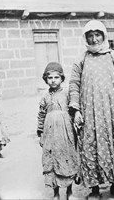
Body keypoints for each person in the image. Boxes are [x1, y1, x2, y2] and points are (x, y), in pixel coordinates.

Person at [69, 20, 114, 200]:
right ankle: (94, 189)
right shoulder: (81, 59)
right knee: (90, 147)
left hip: (113, 112)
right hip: (89, 113)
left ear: (104, 36)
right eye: (90, 35)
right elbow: (74, 84)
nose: (94, 39)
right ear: (86, 37)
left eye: (98, 35)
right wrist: (76, 110)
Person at [37, 62, 79, 200]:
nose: (53, 80)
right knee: (52, 160)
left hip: (65, 133)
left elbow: (73, 112)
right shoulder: (44, 97)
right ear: (46, 79)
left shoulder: (67, 94)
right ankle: (55, 194)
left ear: (62, 78)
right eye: (50, 78)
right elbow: (41, 115)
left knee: (67, 159)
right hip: (50, 134)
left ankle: (69, 192)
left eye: (56, 77)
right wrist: (41, 134)